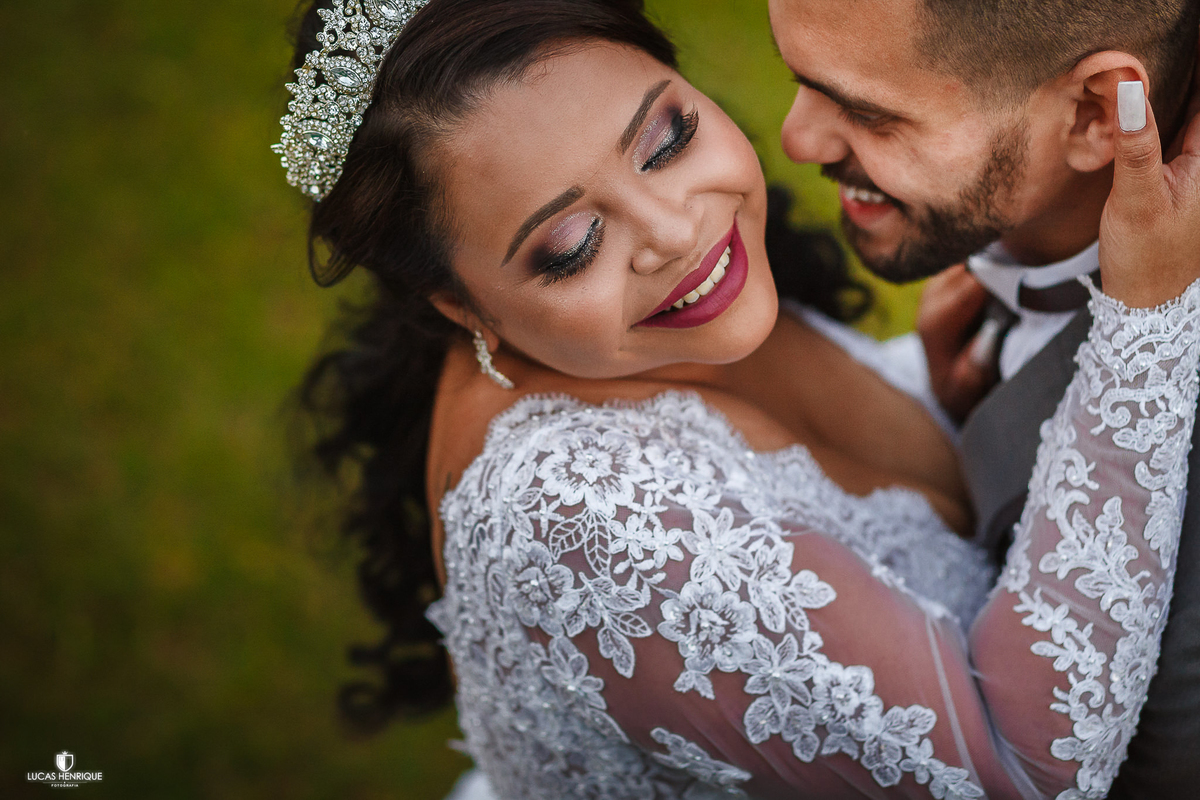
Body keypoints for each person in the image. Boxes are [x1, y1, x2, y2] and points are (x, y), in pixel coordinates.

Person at [279, 0, 1200, 797]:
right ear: (459, 305)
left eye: (665, 139)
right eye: (571, 245)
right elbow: (1019, 771)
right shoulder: (576, 519)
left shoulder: (675, 319)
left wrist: (929, 399)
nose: (675, 229)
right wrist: (1144, 322)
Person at [766, 0, 1200, 795]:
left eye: (869, 112)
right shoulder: (1004, 270)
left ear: (1097, 114)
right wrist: (974, 419)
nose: (799, 140)